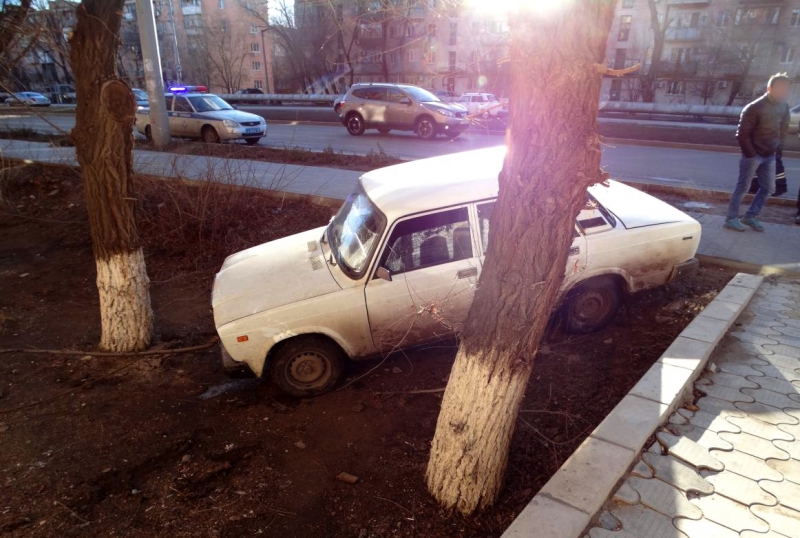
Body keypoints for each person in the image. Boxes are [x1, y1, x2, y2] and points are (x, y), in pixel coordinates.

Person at [725, 73, 790, 232]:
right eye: (780, 88)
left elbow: (783, 128)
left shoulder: (784, 106)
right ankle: (731, 219)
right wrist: (750, 154)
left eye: (786, 89)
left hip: (770, 155)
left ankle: (750, 216)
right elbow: (742, 134)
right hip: (753, 155)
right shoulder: (754, 107)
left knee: (769, 188)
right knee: (743, 187)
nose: (783, 92)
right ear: (769, 88)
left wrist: (778, 148)